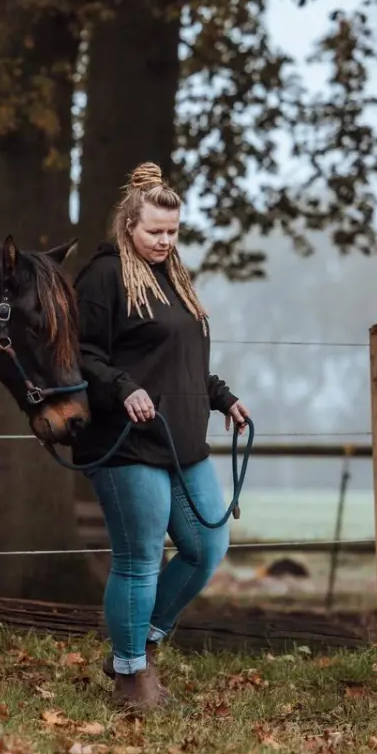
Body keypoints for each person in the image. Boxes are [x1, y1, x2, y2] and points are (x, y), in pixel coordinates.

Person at [71, 161, 250, 710]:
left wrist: (222, 396)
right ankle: (131, 677)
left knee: (207, 546)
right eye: (154, 231)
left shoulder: (174, 277)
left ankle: (140, 643)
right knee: (140, 558)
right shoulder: (102, 278)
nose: (165, 241)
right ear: (129, 225)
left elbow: (184, 360)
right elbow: (79, 355)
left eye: (172, 232)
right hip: (126, 442)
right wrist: (122, 387)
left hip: (182, 440)